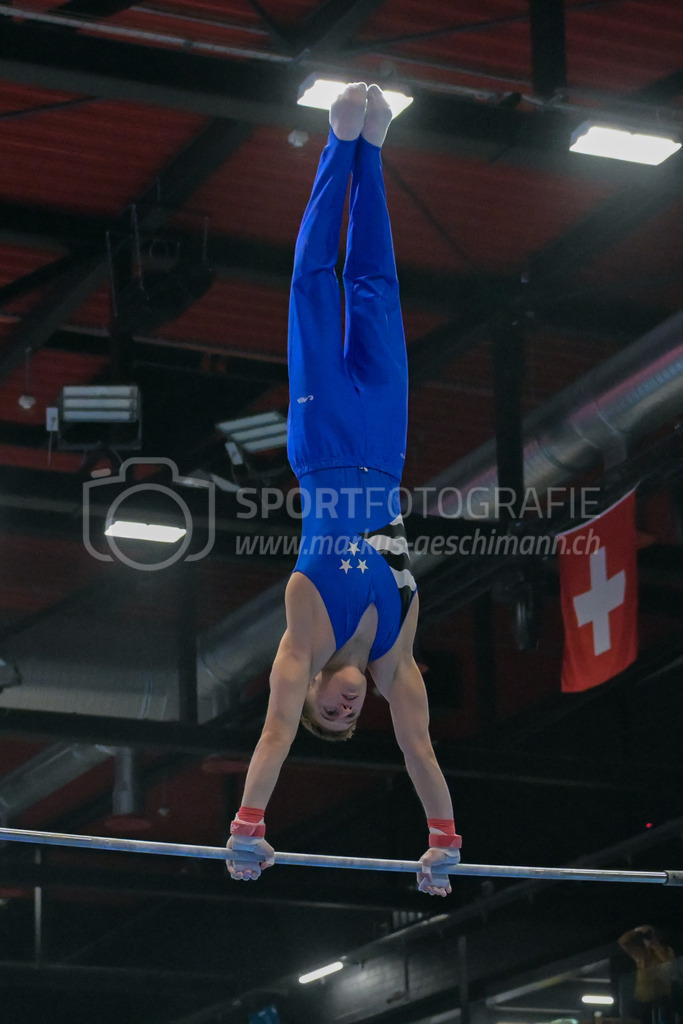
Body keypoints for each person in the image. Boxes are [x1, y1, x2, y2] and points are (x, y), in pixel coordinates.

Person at [226, 84, 461, 897]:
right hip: (386, 447)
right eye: (347, 718)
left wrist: (248, 827)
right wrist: (443, 841)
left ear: (317, 687)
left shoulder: (303, 633)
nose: (344, 708)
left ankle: (338, 148)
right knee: (377, 293)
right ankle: (375, 152)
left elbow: (275, 731)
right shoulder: (397, 656)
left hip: (324, 445)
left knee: (313, 287)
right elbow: (419, 752)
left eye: (331, 710)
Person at [618, 925, 675, 1024]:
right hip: (643, 998)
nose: (648, 939)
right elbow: (623, 942)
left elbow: (669, 965)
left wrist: (656, 946)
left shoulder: (666, 951)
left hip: (661, 996)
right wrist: (637, 931)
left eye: (650, 936)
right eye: (646, 937)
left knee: (664, 1020)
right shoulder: (642, 954)